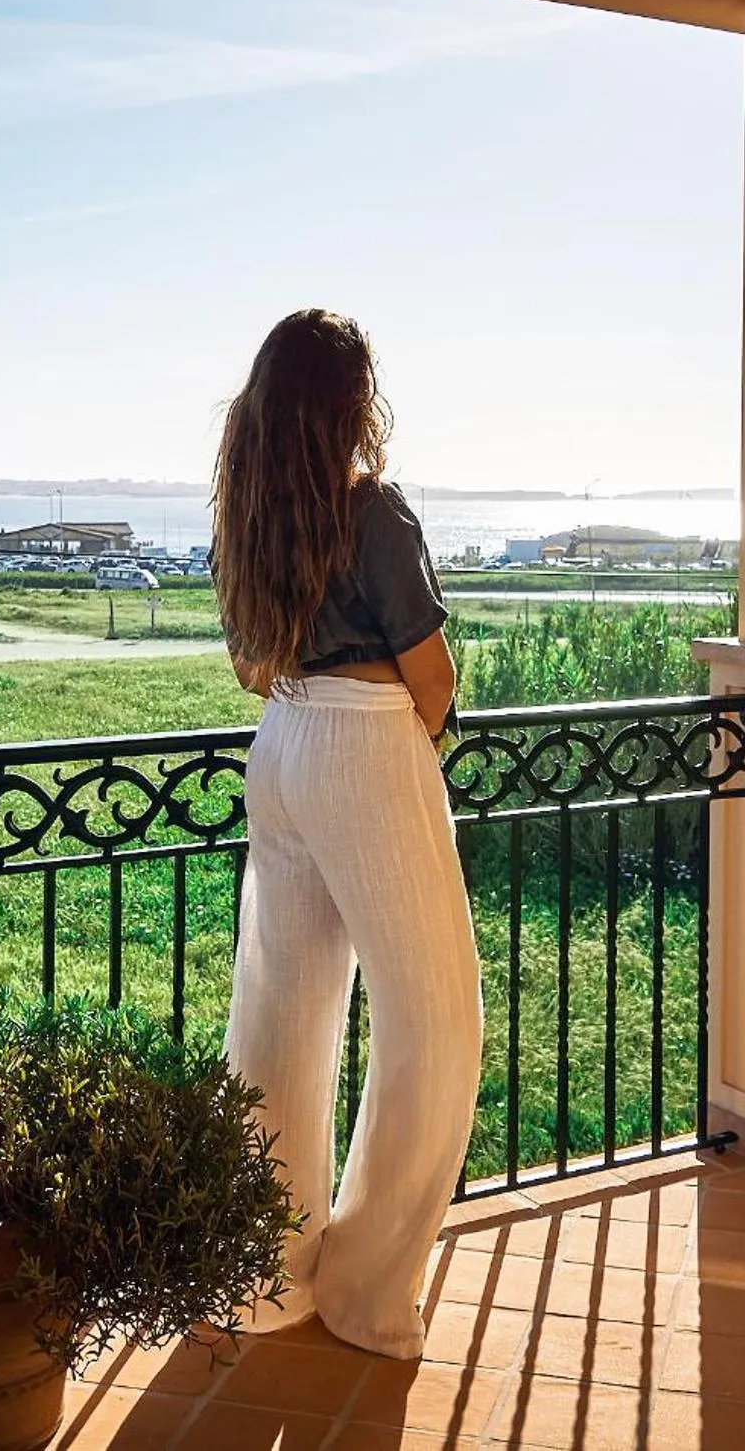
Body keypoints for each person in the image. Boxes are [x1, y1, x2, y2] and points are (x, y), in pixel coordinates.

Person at [211, 309, 483, 1359]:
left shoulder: (248, 511)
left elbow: (248, 663)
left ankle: (265, 1269)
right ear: (352, 401)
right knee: (435, 1017)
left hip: (278, 742)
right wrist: (395, 748)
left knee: (282, 1011)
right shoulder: (376, 515)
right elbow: (433, 678)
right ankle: (365, 1289)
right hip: (364, 744)